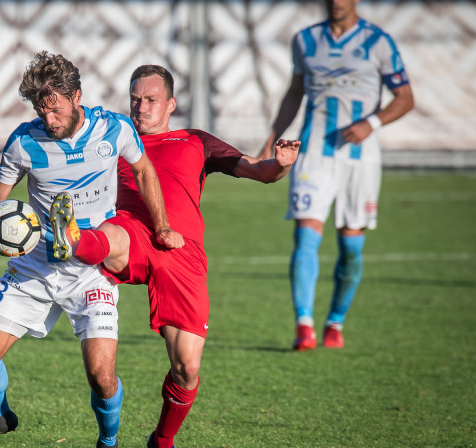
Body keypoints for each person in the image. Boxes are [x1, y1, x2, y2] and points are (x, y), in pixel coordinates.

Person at [52, 65, 300, 448]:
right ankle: (73, 239)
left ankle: (162, 441)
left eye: (150, 100)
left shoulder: (195, 140)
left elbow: (260, 171)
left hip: (182, 251)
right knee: (111, 236)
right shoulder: (115, 138)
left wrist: (280, 166)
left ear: (171, 104)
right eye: (135, 99)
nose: (141, 107)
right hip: (134, 230)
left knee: (187, 368)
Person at [0, 51, 182, 448]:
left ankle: (108, 442)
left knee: (102, 376)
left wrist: (162, 227)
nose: (49, 119)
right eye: (42, 110)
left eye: (55, 109)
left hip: (92, 269)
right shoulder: (24, 141)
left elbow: (143, 170)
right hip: (35, 267)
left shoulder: (114, 130)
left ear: (77, 97)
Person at [258, 0, 414, 351]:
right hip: (313, 153)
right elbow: (294, 93)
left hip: (361, 159)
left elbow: (405, 98)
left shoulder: (379, 42)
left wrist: (371, 123)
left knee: (350, 247)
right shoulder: (305, 40)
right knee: (306, 234)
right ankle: (304, 324)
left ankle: (335, 321)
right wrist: (271, 140)